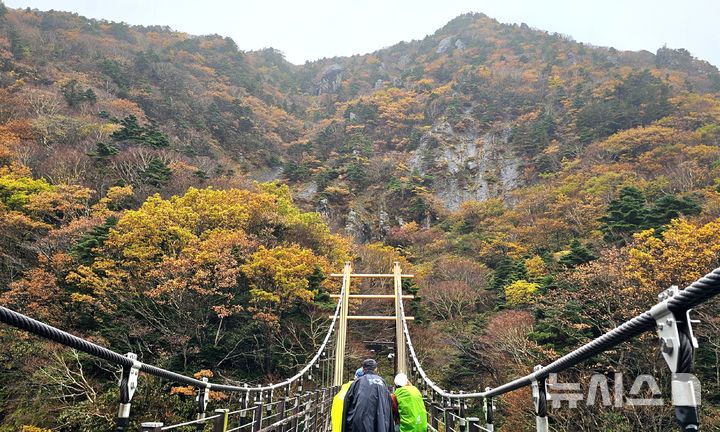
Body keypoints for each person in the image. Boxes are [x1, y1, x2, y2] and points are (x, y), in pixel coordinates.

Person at [341, 359, 394, 432]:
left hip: (360, 425)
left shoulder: (357, 382)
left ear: (363, 369)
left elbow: (347, 405)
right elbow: (389, 405)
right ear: (376, 369)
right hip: (381, 425)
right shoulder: (382, 382)